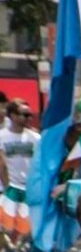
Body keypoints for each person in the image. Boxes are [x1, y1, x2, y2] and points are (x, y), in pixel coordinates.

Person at [2, 100, 37, 238]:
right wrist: (7, 187)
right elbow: (2, 164)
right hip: (8, 190)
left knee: (24, 231)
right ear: (12, 116)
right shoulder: (2, 137)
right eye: (24, 114)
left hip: (28, 190)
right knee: (7, 229)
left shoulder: (35, 138)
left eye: (30, 115)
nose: (28, 118)